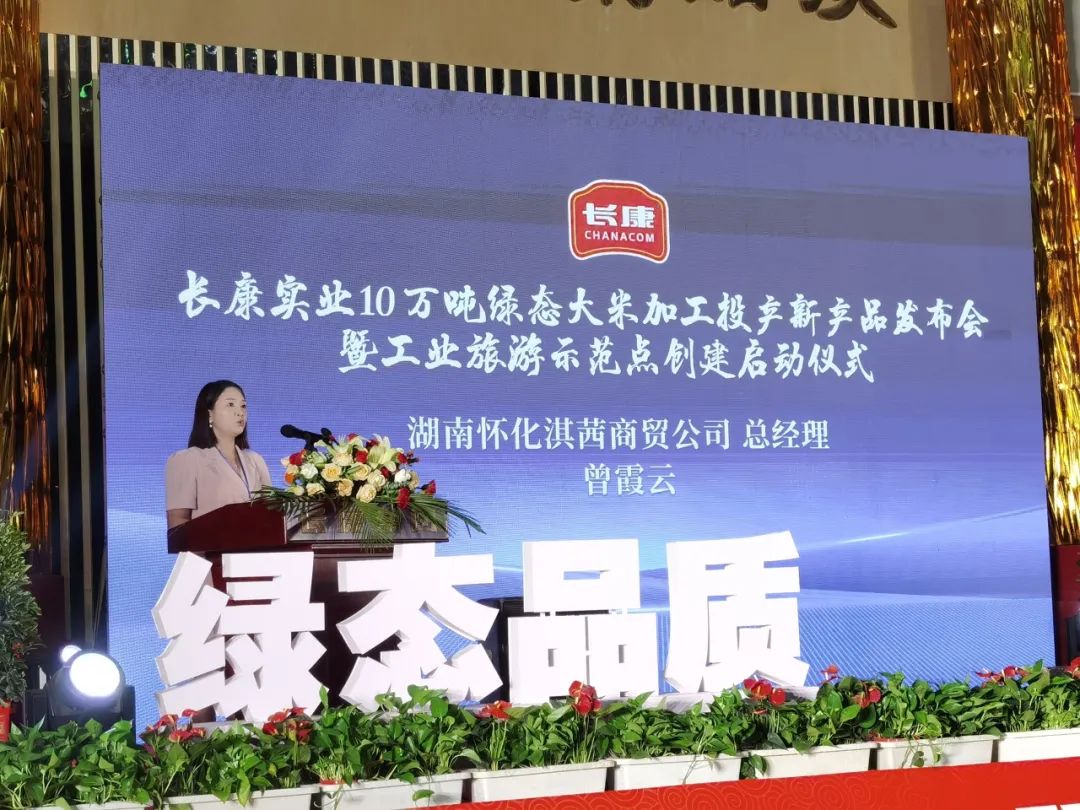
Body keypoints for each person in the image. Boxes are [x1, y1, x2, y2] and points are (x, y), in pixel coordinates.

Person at [165, 380, 272, 529]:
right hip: (207, 544)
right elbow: (178, 521)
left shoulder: (255, 460)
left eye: (243, 406)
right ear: (210, 414)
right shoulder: (186, 460)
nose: (240, 412)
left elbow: (270, 512)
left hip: (254, 543)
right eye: (230, 404)